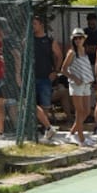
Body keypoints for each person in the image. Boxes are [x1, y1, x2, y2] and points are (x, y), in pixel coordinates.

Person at [30, 12, 61, 141]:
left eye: (35, 24)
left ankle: (46, 130)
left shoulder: (49, 40)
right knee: (32, 104)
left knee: (45, 105)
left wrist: (56, 71)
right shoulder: (29, 40)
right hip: (31, 77)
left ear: (41, 25)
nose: (33, 26)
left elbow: (59, 55)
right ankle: (41, 128)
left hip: (45, 77)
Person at [64, 26, 95, 147]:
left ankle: (72, 133)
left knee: (87, 111)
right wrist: (74, 78)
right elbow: (63, 69)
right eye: (76, 38)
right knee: (79, 111)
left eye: (80, 38)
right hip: (76, 85)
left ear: (84, 39)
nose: (78, 40)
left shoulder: (85, 51)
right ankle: (81, 139)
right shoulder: (72, 52)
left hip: (86, 84)